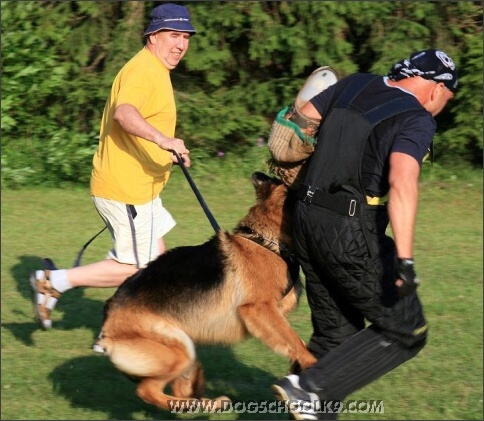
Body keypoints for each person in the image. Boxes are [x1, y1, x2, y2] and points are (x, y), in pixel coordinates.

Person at [269, 49, 458, 419]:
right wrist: (404, 260)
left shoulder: (354, 83)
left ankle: (310, 393)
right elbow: (402, 182)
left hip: (306, 219)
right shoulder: (416, 118)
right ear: (437, 89)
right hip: (351, 231)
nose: (441, 108)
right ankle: (309, 387)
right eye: (446, 101)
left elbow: (301, 120)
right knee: (406, 327)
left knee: (336, 340)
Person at [30, 3, 196, 342]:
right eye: (173, 35)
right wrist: (164, 139)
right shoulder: (143, 70)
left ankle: (118, 328)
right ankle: (54, 282)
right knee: (138, 267)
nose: (180, 44)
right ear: (153, 36)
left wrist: (168, 151)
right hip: (126, 190)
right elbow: (125, 114)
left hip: (141, 188)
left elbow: (142, 122)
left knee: (155, 263)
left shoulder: (155, 69)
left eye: (185, 37)